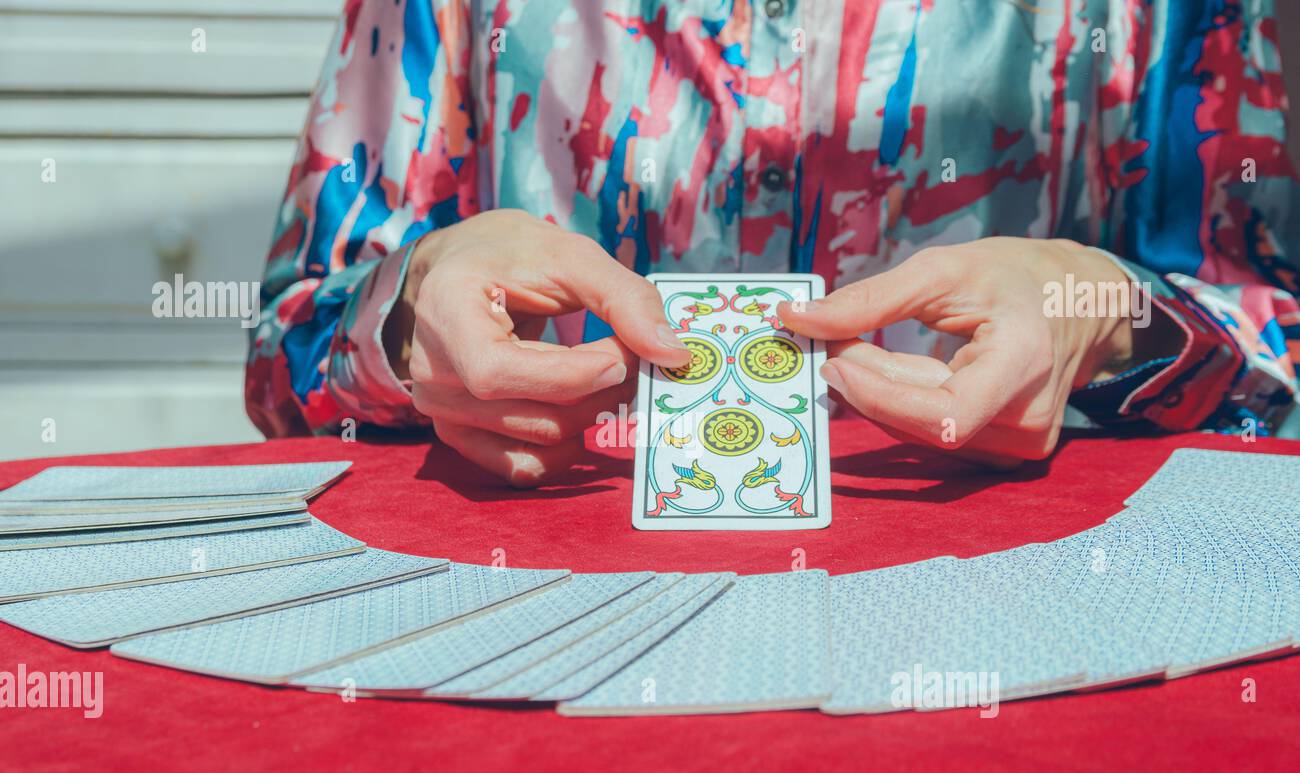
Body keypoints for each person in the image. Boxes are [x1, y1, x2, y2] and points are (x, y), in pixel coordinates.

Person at [247, 0, 1299, 485]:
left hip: (1002, 655)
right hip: (523, 640)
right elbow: (286, 351)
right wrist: (405, 309)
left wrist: (1105, 317)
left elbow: (1277, 354)